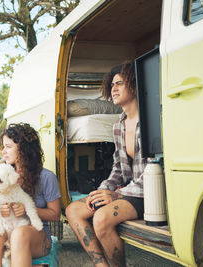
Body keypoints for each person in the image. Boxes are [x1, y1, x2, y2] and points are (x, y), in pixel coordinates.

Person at [65, 62, 147, 267]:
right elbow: (118, 169)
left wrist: (117, 195)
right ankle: (101, 264)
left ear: (135, 85)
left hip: (148, 194)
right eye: (112, 85)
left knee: (101, 218)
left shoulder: (150, 122)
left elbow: (155, 172)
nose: (114, 89)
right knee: (73, 210)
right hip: (127, 192)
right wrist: (102, 191)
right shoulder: (119, 124)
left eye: (119, 83)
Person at [0, 123, 61, 267]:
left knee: (19, 234)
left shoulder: (46, 177)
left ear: (24, 148)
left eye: (8, 147)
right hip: (10, 229)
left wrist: (27, 210)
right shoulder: (3, 175)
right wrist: (2, 211)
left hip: (37, 236)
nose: (3, 151)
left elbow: (56, 215)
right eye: (3, 147)